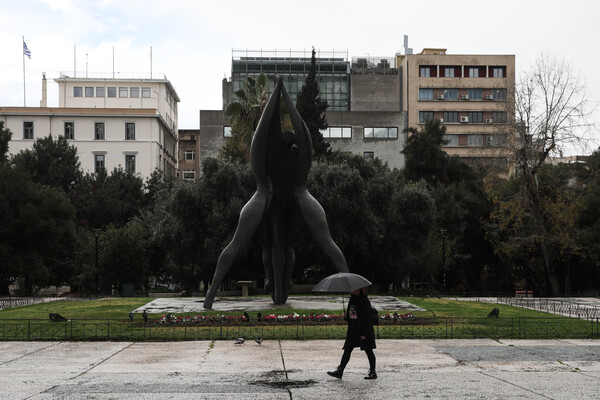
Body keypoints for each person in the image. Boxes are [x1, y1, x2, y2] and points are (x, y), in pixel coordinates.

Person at [327, 287, 377, 380]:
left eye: (351, 289)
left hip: (363, 330)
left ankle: (373, 372)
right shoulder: (352, 299)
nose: (349, 290)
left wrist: (364, 333)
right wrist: (346, 317)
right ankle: (340, 371)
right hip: (353, 330)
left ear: (357, 289)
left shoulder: (364, 300)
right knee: (347, 349)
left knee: (368, 350)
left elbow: (367, 318)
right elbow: (353, 315)